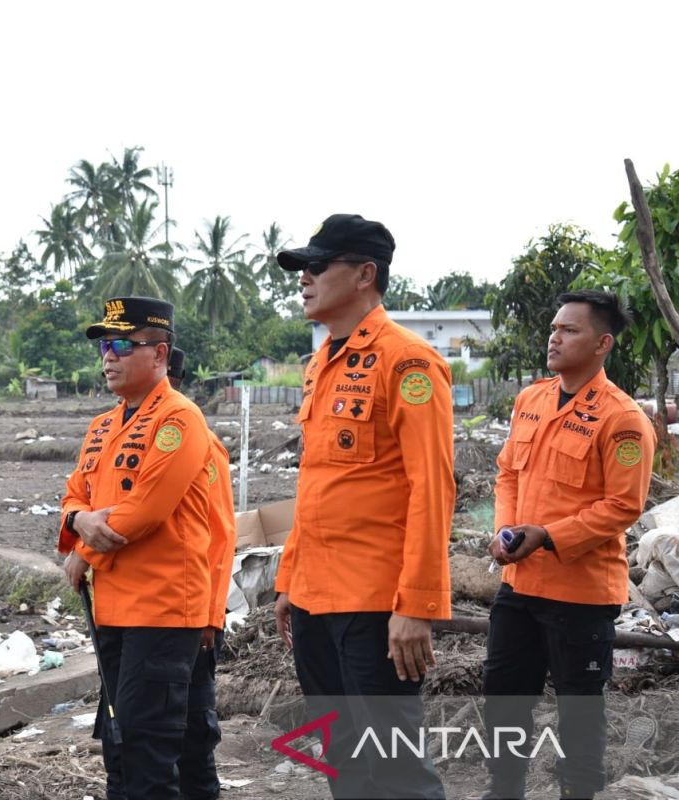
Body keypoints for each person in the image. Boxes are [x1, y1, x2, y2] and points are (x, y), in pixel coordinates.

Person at [270, 214, 454, 799]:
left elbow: (433, 488)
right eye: (302, 267)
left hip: (376, 604)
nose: (304, 278)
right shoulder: (322, 363)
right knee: (344, 762)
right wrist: (289, 580)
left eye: (317, 266)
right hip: (315, 600)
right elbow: (319, 485)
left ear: (364, 274)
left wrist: (418, 605)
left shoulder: (408, 361)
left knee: (396, 770)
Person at [482, 290, 654, 800]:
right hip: (520, 583)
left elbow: (623, 506)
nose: (554, 337)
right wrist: (506, 529)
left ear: (602, 344)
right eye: (554, 328)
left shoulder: (622, 420)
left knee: (579, 709)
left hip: (581, 594)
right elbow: (508, 472)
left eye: (569, 330)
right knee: (504, 698)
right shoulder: (531, 399)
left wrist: (549, 536)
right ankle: (504, 789)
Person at [59, 297, 214, 800]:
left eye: (124, 343)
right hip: (114, 611)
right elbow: (74, 495)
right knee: (121, 744)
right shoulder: (101, 426)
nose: (109, 355)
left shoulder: (179, 420)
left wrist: (84, 552)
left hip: (164, 610)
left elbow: (146, 509)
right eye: (106, 344)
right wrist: (78, 520)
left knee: (149, 750)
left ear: (161, 353)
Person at [169, 347, 236, 800]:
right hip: (142, 618)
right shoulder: (121, 436)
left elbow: (220, 532)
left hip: (189, 617)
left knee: (192, 734)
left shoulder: (199, 442)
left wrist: (211, 617)